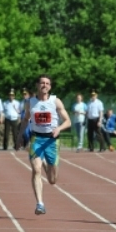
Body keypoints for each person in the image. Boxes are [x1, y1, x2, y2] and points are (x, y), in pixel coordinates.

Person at [16, 74, 71, 215]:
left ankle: (47, 163)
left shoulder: (55, 101)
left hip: (52, 141)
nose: (44, 85)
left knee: (52, 180)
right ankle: (40, 203)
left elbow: (68, 121)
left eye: (47, 83)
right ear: (37, 85)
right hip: (36, 139)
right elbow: (25, 119)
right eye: (42, 83)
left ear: (50, 87)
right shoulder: (30, 103)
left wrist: (58, 128)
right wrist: (19, 135)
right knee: (36, 170)